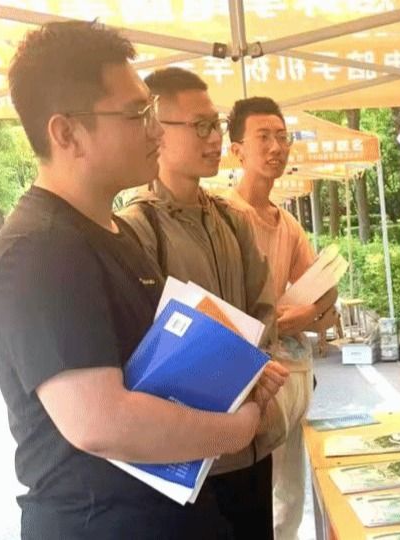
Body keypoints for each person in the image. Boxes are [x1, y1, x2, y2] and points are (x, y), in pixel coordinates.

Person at [0, 21, 278, 539]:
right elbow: (101, 422)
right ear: (66, 133)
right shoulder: (40, 250)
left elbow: (152, 368)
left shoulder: (114, 230)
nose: (155, 132)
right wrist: (235, 430)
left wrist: (238, 376)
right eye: (136, 114)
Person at [117, 67, 289, 540]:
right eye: (201, 126)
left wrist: (253, 382)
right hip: (189, 462)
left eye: (216, 125)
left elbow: (263, 311)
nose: (215, 138)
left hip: (251, 443)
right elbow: (146, 349)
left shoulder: (232, 221)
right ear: (157, 128)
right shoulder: (136, 229)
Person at [224, 96, 338, 540]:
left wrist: (308, 313)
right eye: (263, 137)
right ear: (237, 150)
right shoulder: (221, 216)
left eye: (282, 137)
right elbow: (229, 314)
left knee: (289, 497)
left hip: (291, 377)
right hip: (246, 380)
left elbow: (324, 301)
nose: (276, 147)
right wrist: (292, 319)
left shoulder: (286, 224)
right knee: (252, 496)